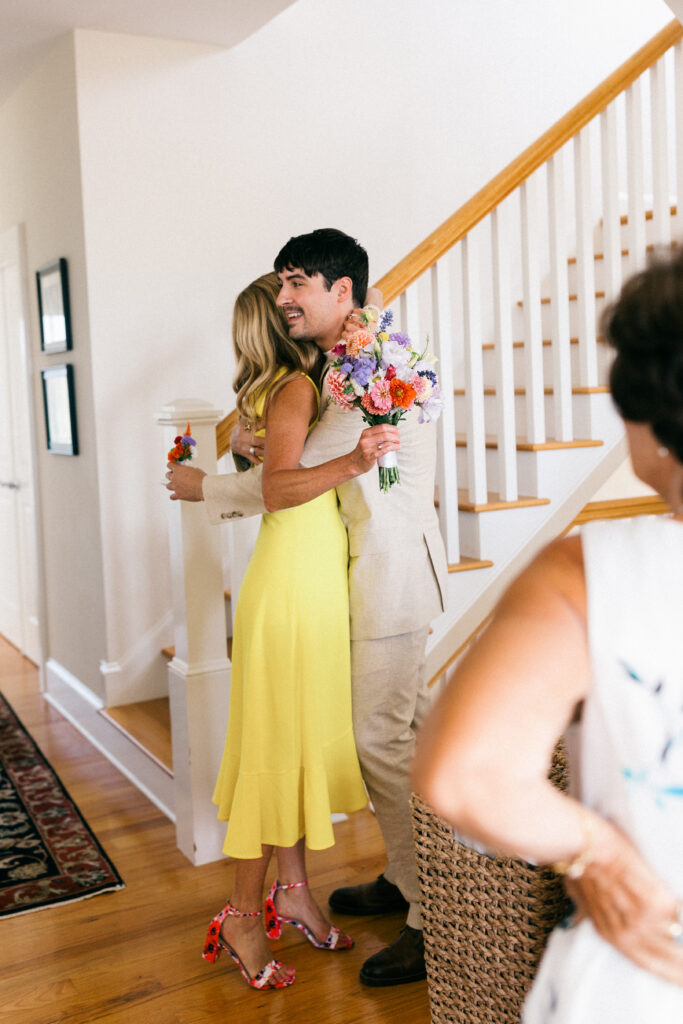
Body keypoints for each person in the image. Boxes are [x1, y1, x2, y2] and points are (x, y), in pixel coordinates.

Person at [168, 228, 448, 987]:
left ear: (342, 293)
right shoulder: (334, 363)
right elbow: (290, 462)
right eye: (281, 283)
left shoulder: (370, 369)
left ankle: (430, 918)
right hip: (339, 575)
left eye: (297, 282)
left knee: (378, 740)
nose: (282, 297)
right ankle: (407, 876)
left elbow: (292, 480)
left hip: (385, 578)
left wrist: (209, 488)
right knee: (404, 736)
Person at [413, 248, 683, 1021]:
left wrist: (589, 850)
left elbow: (465, 776)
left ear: (645, 418)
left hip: (648, 973)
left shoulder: (589, 575)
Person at [189, 272, 398, 991]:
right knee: (276, 751)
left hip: (306, 580)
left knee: (298, 742)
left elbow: (275, 473)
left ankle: (294, 891)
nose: (299, 311)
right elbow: (281, 486)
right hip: (289, 588)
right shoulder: (293, 390)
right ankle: (244, 913)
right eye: (289, 307)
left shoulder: (290, 390)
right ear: (278, 323)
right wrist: (353, 459)